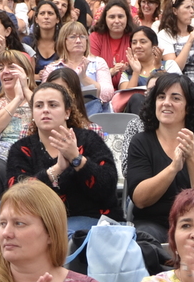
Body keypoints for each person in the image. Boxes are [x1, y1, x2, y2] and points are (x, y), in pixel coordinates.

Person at [6, 82, 118, 233]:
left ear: (67, 112)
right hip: (38, 220)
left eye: (53, 105)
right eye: (39, 106)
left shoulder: (89, 140)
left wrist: (77, 159)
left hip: (89, 218)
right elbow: (16, 194)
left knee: (61, 234)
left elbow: (108, 187)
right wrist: (57, 169)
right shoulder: (21, 149)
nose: (45, 110)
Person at [128, 73, 194, 243]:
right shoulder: (141, 141)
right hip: (153, 223)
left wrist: (191, 155)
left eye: (175, 98)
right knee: (144, 238)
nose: (166, 103)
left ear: (188, 107)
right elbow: (140, 200)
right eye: (161, 97)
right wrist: (173, 168)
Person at [0, 50, 35, 161]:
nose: (5, 71)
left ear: (26, 73)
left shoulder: (40, 100)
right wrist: (17, 99)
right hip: (2, 160)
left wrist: (25, 89)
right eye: (1, 68)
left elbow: (48, 114)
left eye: (11, 67)